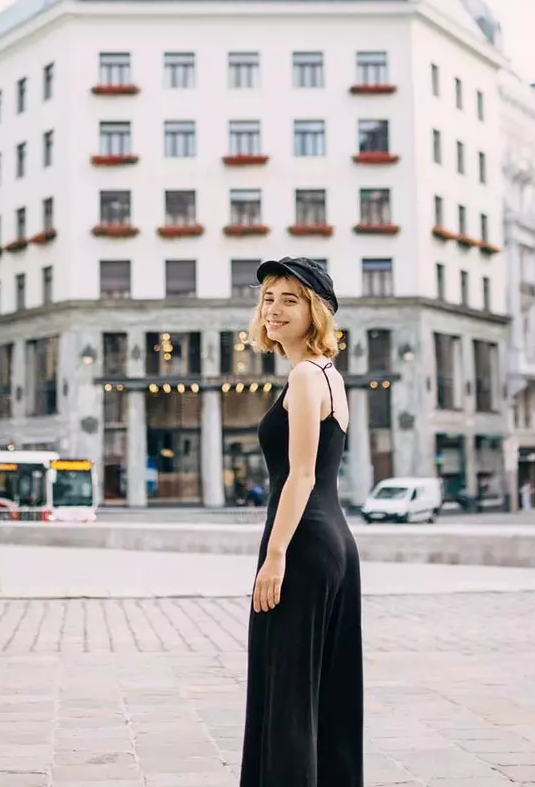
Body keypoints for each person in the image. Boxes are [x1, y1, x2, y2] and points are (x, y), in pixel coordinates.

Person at [239, 257, 362, 785]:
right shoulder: (328, 376)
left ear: (316, 311)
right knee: (325, 688)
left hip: (304, 543)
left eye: (291, 299)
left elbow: (303, 475)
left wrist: (274, 557)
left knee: (287, 688)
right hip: (331, 540)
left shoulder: (307, 375)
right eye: (269, 297)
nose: (274, 308)